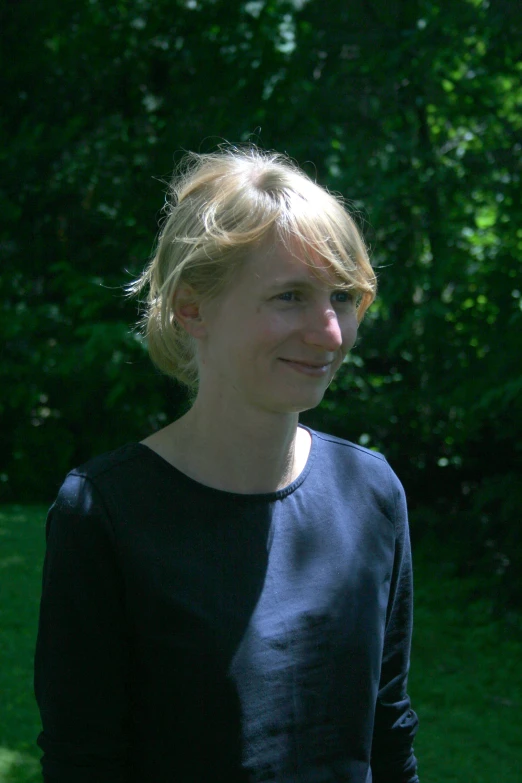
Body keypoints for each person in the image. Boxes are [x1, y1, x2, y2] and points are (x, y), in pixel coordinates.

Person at [34, 146, 419, 783]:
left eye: (343, 296)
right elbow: (84, 763)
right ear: (192, 308)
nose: (330, 333)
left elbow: (388, 727)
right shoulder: (106, 512)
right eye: (291, 296)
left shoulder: (371, 492)